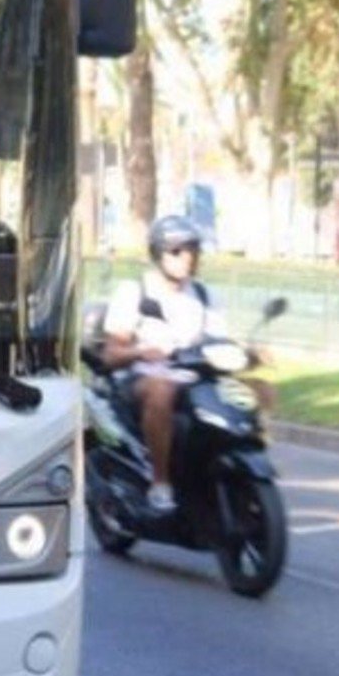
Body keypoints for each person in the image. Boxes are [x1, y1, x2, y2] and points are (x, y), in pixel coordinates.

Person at [100, 215, 226, 513]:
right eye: (177, 251)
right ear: (159, 254)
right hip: (143, 379)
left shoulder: (206, 295)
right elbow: (111, 353)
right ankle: (161, 481)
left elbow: (220, 340)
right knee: (162, 389)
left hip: (194, 377)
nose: (188, 258)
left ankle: (228, 467)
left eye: (192, 250)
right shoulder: (136, 292)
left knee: (254, 391)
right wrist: (142, 352)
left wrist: (251, 354)